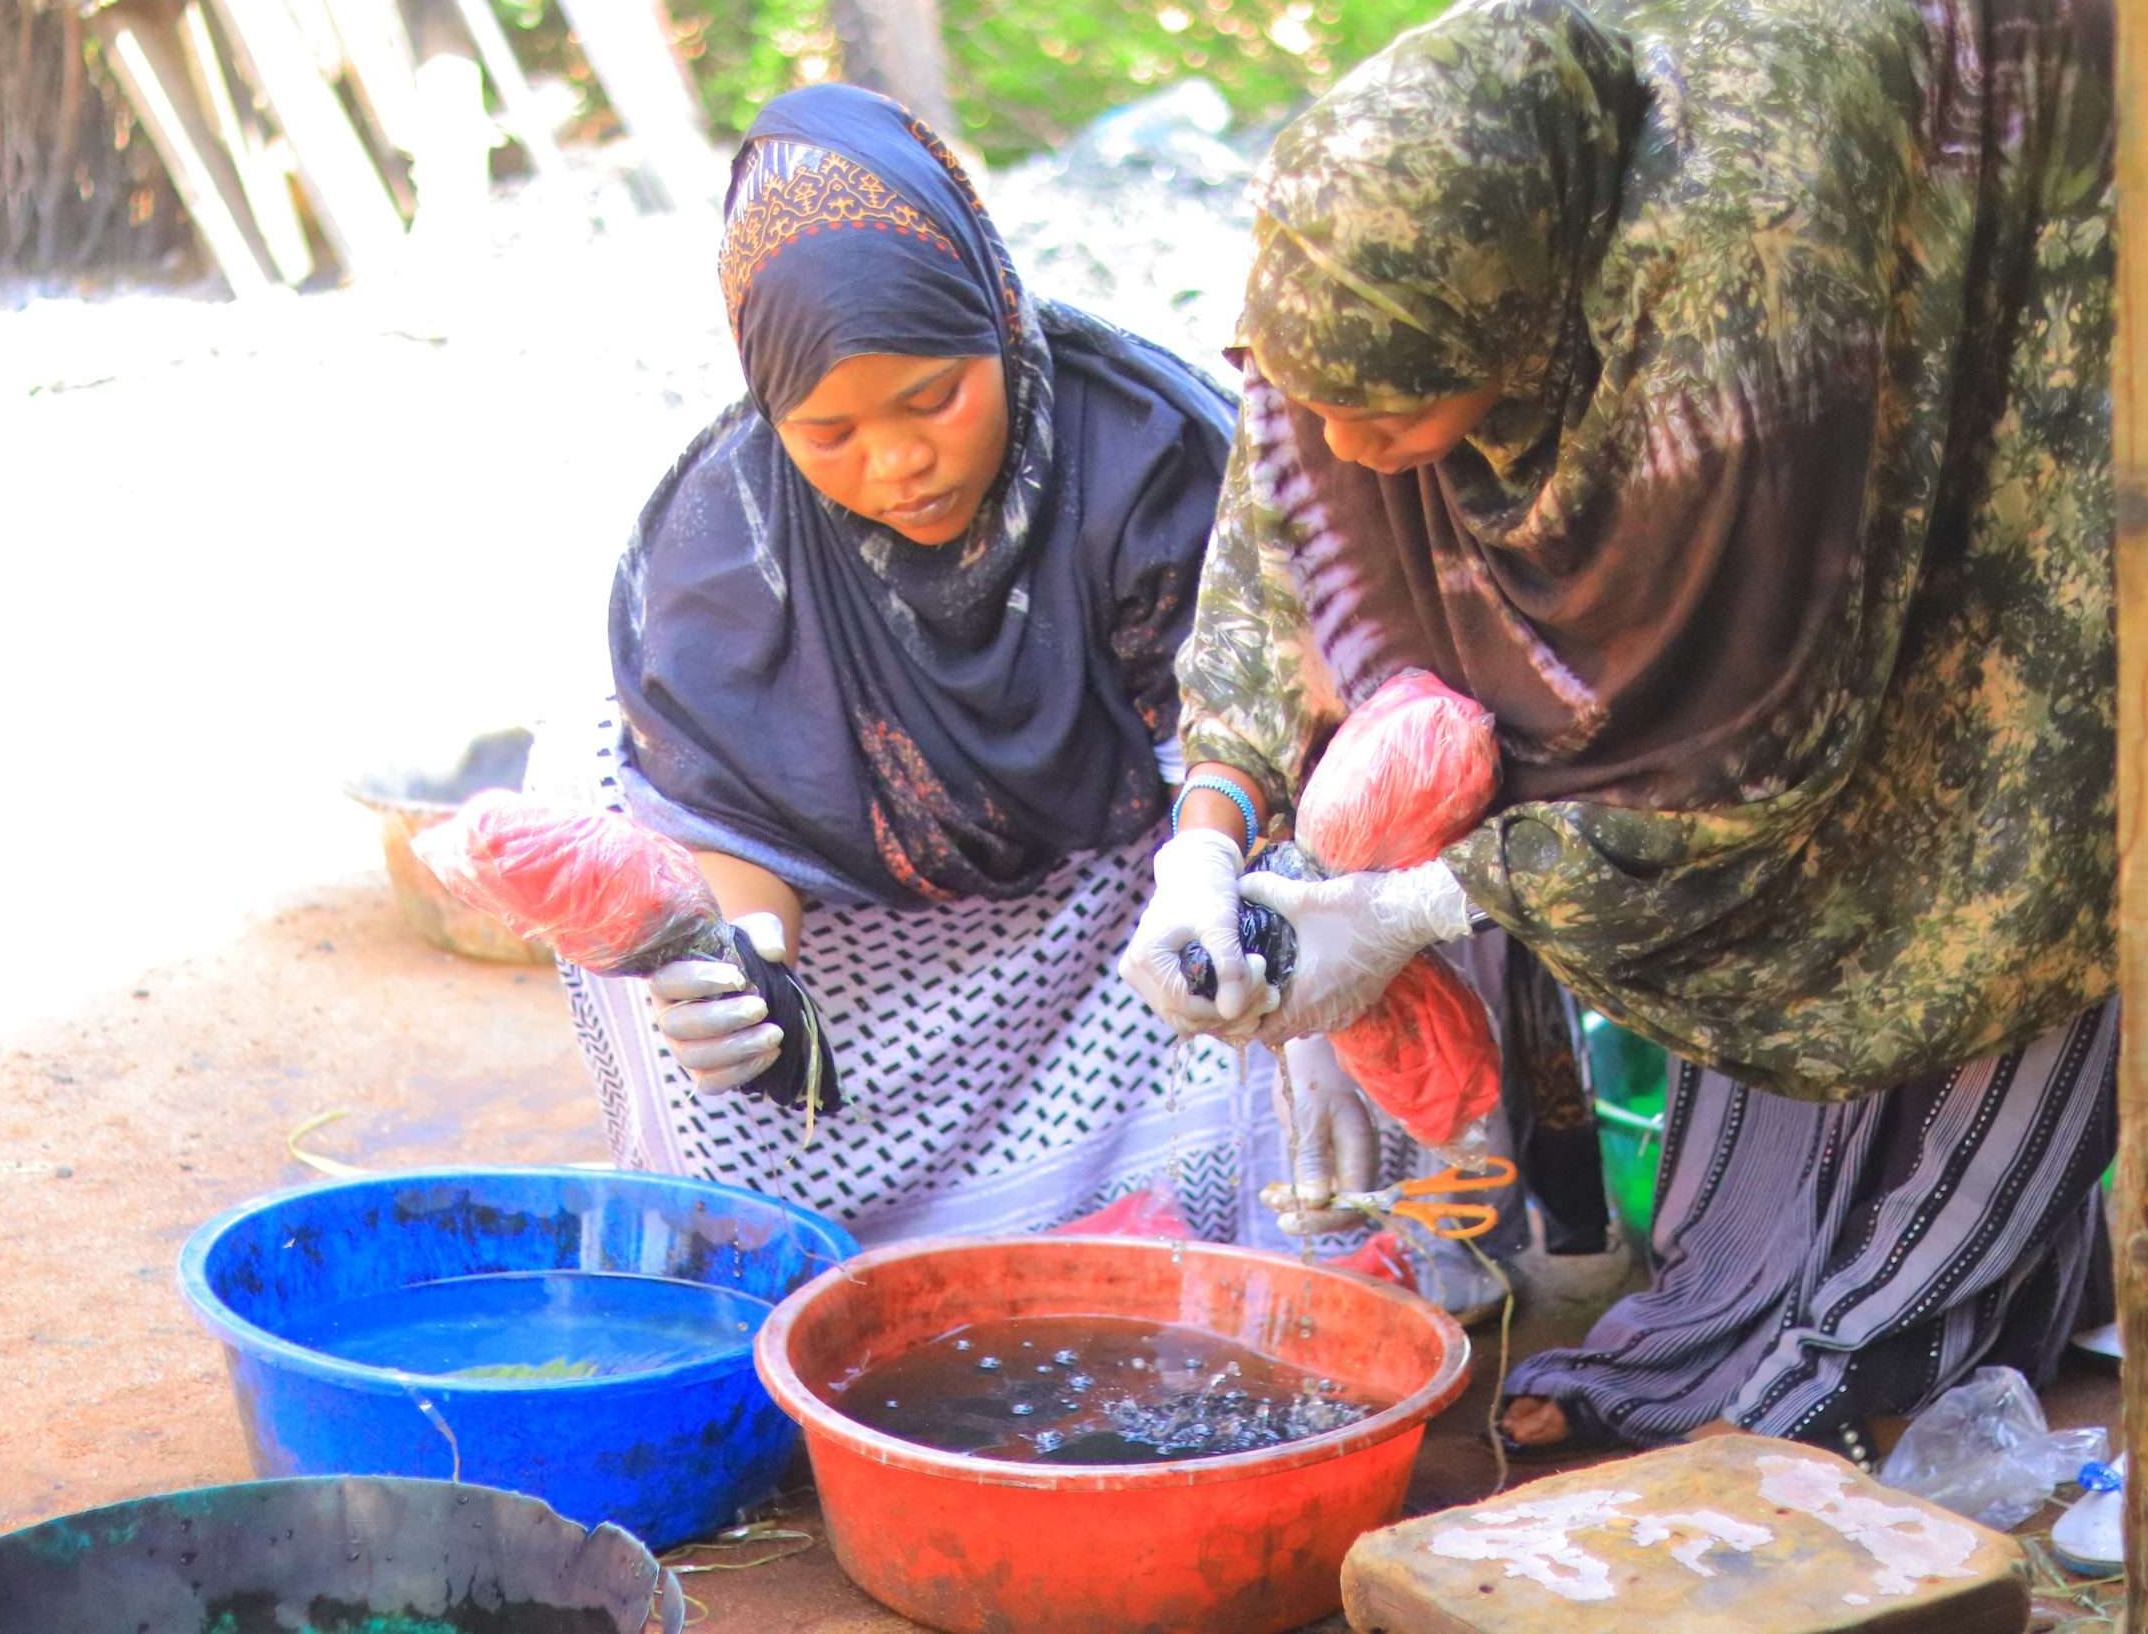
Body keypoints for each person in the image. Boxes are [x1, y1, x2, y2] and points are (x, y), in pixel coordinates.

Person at [1123, 0, 2121, 1465]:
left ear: (1531, 332)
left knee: (1975, 810)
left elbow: (1742, 749)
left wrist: (1407, 908)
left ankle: (1878, 1322)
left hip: (2026, 234)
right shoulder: (1405, 227)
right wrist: (1216, 838)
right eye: (1324, 399)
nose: (1356, 447)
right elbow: (1289, 520)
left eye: (1395, 411)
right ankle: (1724, 1297)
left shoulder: (1741, 297)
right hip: (1792, 203)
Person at [528, 85, 1454, 1256]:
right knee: (582, 769)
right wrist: (735, 955)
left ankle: (1295, 1228)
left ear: (999, 315)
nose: (897, 462)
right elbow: (726, 797)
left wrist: (1287, 937)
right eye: (829, 433)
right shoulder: (726, 548)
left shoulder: (1145, 459)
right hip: (881, 971)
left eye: (933, 398)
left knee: (1412, 742)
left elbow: (1279, 722)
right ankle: (797, 1268)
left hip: (1147, 910)